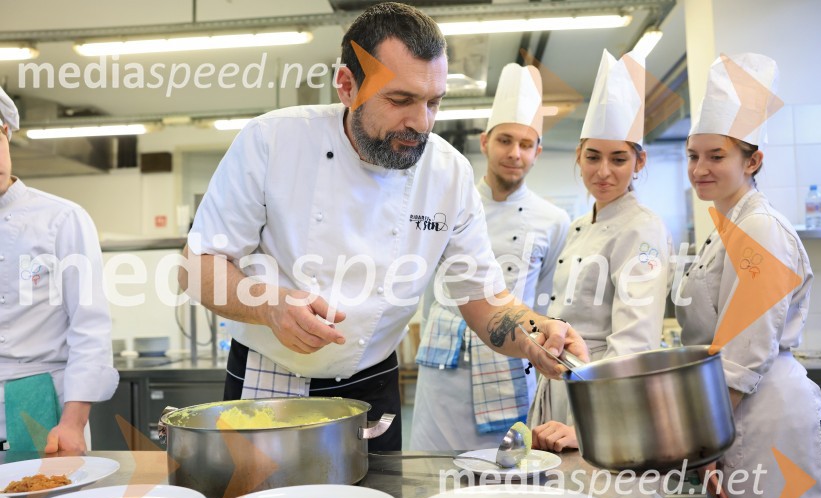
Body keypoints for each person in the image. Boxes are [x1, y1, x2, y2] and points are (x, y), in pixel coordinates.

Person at [179, 2, 587, 451]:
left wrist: (534, 335)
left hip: (370, 384)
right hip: (266, 377)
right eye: (400, 100)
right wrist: (270, 306)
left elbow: (485, 301)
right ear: (346, 85)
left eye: (433, 103)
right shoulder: (271, 142)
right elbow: (196, 269)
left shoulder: (447, 174)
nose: (421, 123)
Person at [678, 53, 821, 498]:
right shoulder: (727, 224)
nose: (700, 168)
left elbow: (744, 353)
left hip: (763, 417)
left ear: (754, 160)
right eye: (693, 155)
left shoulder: (760, 228)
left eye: (716, 156)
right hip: (738, 413)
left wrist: (709, 443)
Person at [411, 63, 570, 450]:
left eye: (526, 144)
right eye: (504, 141)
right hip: (441, 371)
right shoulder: (444, 204)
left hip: (512, 365)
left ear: (537, 153)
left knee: (508, 482)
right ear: (485, 142)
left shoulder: (554, 220)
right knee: (433, 476)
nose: (514, 153)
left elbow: (545, 301)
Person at [528, 50, 673, 452]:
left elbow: (636, 341)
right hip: (563, 390)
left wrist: (593, 428)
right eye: (592, 157)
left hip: (608, 402)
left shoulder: (643, 228)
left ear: (639, 162)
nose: (603, 171)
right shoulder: (578, 227)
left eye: (619, 159)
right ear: (578, 156)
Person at [0, 86, 118, 453]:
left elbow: (90, 326)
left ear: (6, 133)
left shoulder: (61, 219)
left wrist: (73, 423)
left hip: (38, 403)